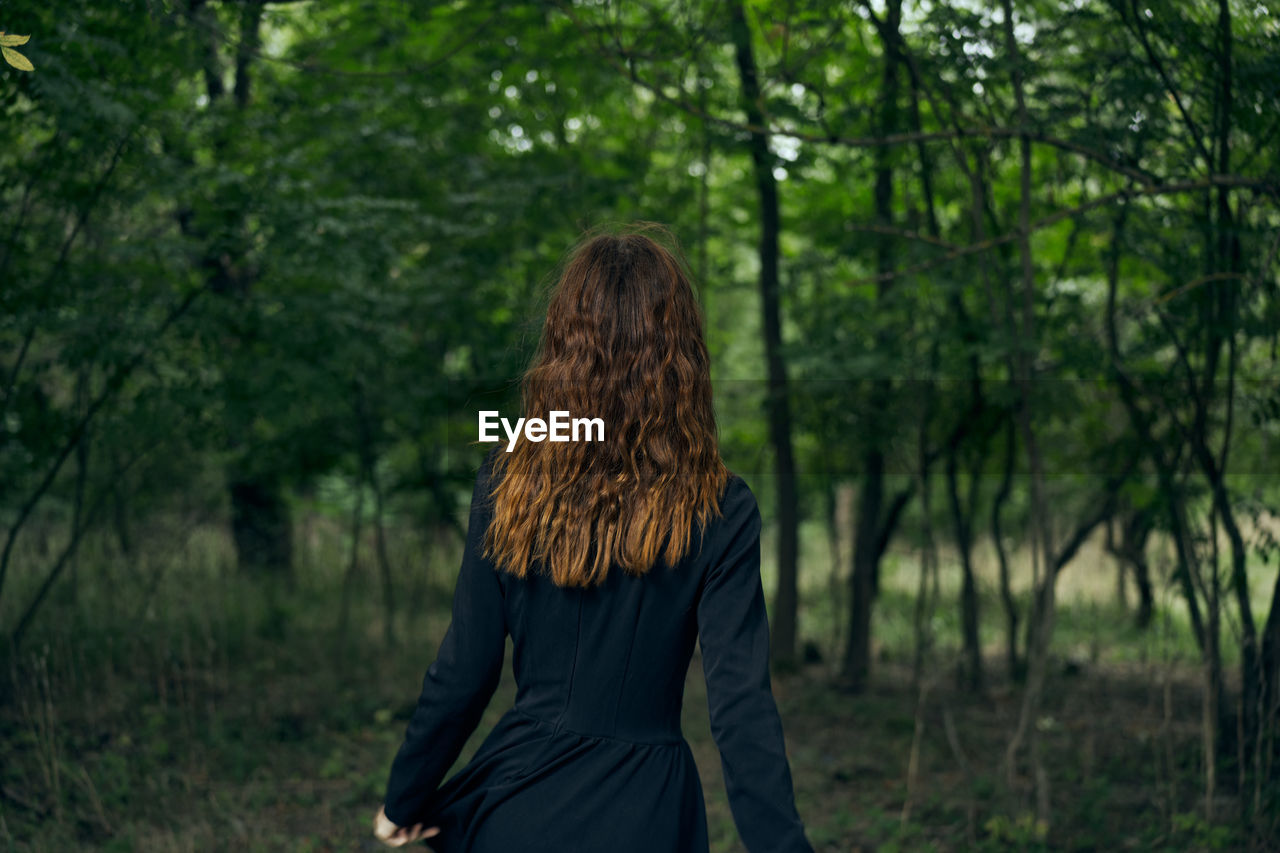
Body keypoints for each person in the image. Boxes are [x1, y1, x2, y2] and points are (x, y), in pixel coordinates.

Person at [373, 223, 815, 852]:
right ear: (683, 356)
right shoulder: (720, 507)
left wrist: (404, 797)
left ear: (563, 346)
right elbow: (741, 709)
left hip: (517, 807)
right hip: (648, 817)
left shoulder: (507, 479)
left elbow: (465, 669)